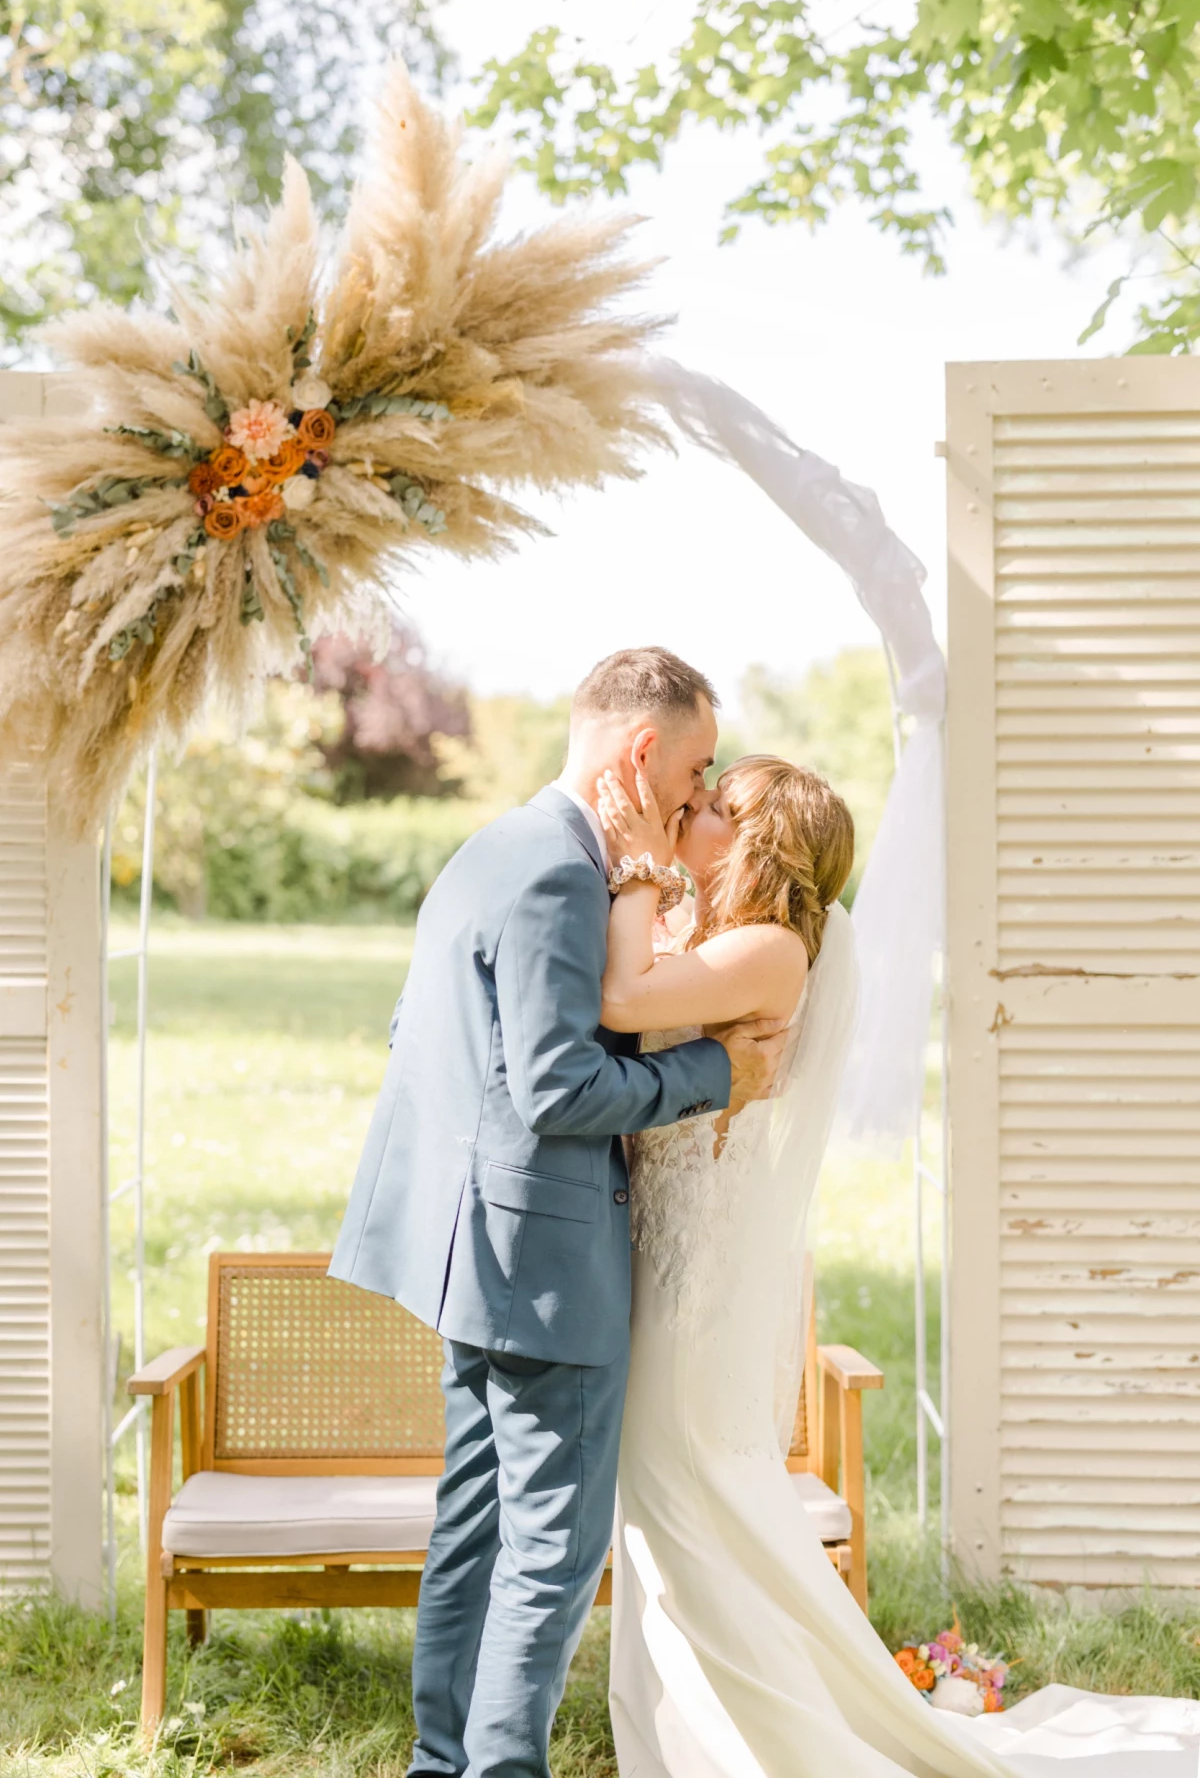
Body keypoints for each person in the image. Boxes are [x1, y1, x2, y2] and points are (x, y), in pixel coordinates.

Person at [598, 758, 1200, 1778]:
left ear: (753, 840)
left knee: (688, 1508)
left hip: (694, 1298)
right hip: (670, 1272)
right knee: (681, 1516)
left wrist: (632, 871)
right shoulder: (726, 942)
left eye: (711, 806)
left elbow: (622, 998)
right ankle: (696, 1723)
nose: (688, 811)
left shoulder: (770, 947)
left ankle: (761, 1739)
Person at [329, 647, 790, 1778]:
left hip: (463, 1251)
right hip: (540, 1263)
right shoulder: (559, 874)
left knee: (476, 1531)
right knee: (547, 1552)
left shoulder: (494, 847)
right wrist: (716, 1079)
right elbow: (556, 1088)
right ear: (642, 751)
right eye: (693, 767)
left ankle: (444, 1762)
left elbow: (429, 1049)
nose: (697, 792)